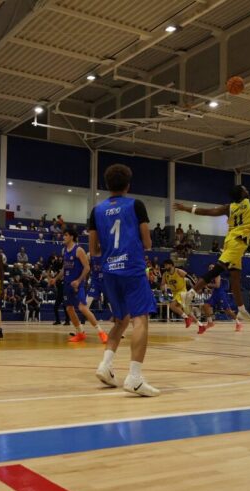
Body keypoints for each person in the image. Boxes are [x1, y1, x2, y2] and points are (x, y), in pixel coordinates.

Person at [173, 156, 250, 324]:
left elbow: (207, 212)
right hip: (237, 242)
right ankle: (190, 293)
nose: (247, 189)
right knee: (218, 269)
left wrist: (187, 209)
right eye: (244, 188)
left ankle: (241, 311)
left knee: (235, 276)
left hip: (232, 241)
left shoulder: (229, 208)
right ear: (242, 193)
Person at [89, 164, 159, 396]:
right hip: (132, 269)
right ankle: (135, 378)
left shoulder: (96, 211)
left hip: (109, 271)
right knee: (140, 320)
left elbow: (94, 250)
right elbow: (147, 243)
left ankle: (106, 365)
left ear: (107, 185)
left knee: (121, 320)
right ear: (128, 185)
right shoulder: (135, 205)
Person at [49, 229, 107, 343]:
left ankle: (101, 332)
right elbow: (64, 268)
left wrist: (78, 280)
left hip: (78, 284)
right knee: (69, 308)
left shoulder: (79, 250)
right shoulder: (64, 250)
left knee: (82, 307)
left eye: (65, 235)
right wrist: (55, 279)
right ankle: (80, 332)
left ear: (71, 237)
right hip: (67, 284)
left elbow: (87, 267)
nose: (63, 237)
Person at [199, 264, 241, 333]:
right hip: (215, 294)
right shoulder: (210, 277)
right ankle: (210, 323)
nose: (211, 268)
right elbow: (213, 287)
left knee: (227, 310)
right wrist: (208, 289)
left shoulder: (217, 275)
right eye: (210, 267)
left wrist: (208, 285)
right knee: (205, 306)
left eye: (212, 267)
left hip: (220, 294)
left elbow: (217, 285)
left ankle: (238, 323)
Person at [161, 259, 199, 328]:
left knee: (172, 305)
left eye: (166, 265)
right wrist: (164, 291)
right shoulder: (165, 274)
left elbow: (189, 277)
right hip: (175, 294)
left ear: (171, 265)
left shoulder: (178, 271)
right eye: (164, 265)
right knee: (187, 311)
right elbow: (162, 285)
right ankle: (201, 326)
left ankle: (186, 318)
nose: (165, 266)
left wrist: (196, 287)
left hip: (182, 292)